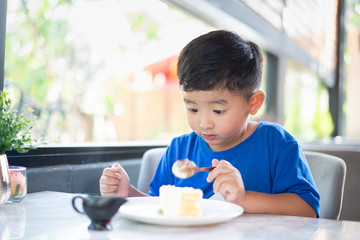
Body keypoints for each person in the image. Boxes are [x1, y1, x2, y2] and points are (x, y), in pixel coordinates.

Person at [99, 30, 320, 218]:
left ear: (253, 103)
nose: (204, 123)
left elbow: (309, 210)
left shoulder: (276, 144)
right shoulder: (179, 150)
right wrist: (128, 194)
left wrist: (243, 198)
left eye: (218, 111)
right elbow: (159, 206)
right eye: (193, 109)